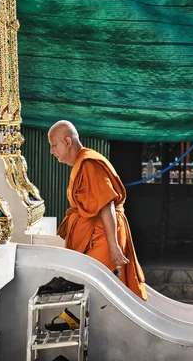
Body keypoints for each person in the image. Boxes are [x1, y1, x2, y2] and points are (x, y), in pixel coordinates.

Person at [48, 120, 147, 301]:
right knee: (90, 285)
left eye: (54, 146)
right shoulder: (81, 163)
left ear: (68, 142)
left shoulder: (89, 163)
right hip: (97, 234)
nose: (51, 151)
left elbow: (105, 204)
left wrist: (114, 246)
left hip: (104, 235)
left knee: (94, 285)